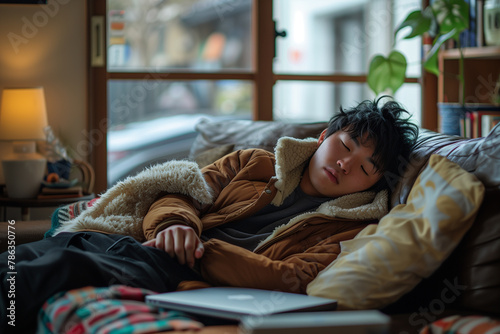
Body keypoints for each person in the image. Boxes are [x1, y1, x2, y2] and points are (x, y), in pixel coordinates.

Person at [1, 96, 419, 333]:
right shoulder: (252, 163)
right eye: (346, 147)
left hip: (181, 274)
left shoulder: (352, 228)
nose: (346, 165)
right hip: (139, 243)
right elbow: (179, 190)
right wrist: (177, 224)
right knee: (25, 257)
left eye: (366, 167)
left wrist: (202, 250)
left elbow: (293, 278)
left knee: (51, 270)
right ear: (325, 136)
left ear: (372, 183)